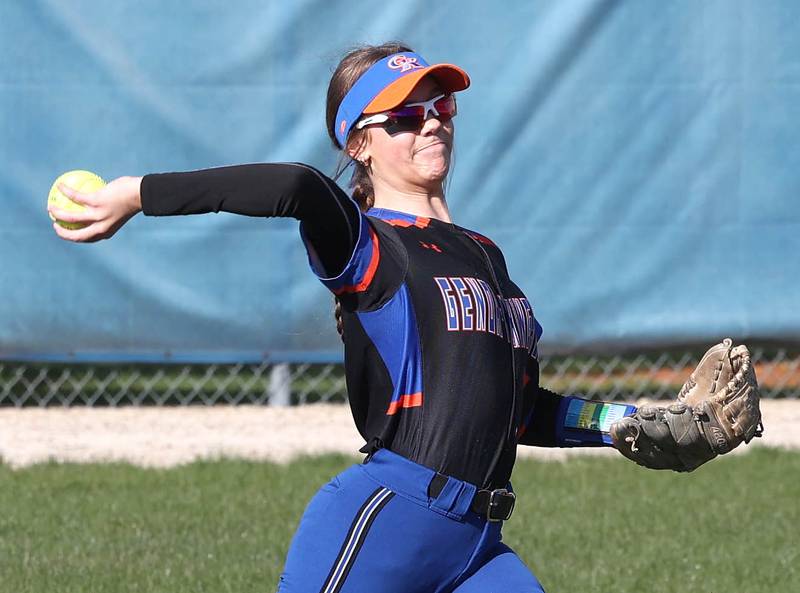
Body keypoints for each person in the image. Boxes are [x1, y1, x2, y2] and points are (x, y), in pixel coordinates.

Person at [50, 42, 637, 593]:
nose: (431, 121)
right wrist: (135, 194)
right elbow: (298, 186)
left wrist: (623, 423)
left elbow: (517, 407)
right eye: (403, 116)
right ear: (359, 144)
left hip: (479, 545)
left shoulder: (485, 254)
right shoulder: (372, 244)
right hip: (391, 518)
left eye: (440, 106)